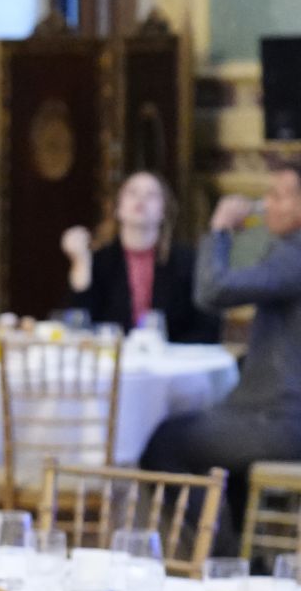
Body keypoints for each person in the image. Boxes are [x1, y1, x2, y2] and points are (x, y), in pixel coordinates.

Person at [140, 161, 301, 543]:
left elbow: (212, 292)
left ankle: (221, 562)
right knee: (212, 446)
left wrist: (220, 229)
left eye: (278, 196)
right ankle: (248, 561)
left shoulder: (295, 255)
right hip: (276, 414)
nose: (266, 204)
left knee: (164, 443)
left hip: (280, 421)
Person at [60, 169, 218, 341]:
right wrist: (80, 262)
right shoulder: (100, 261)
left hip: (171, 362)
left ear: (163, 211)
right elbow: (77, 323)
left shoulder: (186, 261)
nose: (140, 199)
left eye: (151, 195)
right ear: (117, 208)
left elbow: (207, 324)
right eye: (132, 192)